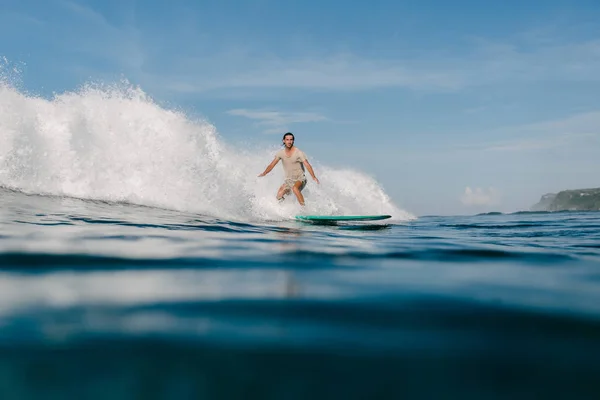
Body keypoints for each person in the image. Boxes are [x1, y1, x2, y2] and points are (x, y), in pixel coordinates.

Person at [258, 132, 320, 206]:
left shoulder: (298, 153)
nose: (289, 141)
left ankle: (304, 209)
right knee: (279, 195)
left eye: (291, 140)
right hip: (289, 181)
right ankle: (285, 209)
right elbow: (272, 165)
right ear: (283, 141)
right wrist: (264, 173)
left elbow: (307, 164)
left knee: (295, 188)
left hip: (300, 179)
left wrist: (313, 177)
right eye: (287, 139)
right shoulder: (280, 153)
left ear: (293, 141)